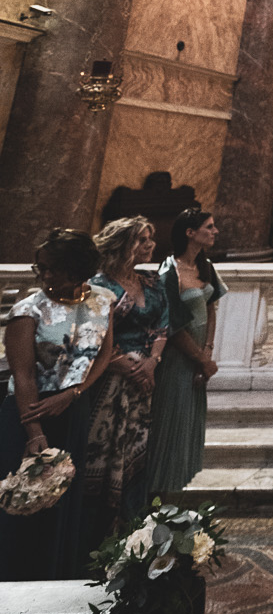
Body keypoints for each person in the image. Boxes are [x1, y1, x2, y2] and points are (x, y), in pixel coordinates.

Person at [0, 228, 114, 578]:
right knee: (26, 501)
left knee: (63, 499)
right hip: (30, 411)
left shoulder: (103, 300)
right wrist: (34, 433)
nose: (45, 275)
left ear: (77, 269)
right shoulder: (27, 310)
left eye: (53, 269)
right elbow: (23, 376)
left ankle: (56, 577)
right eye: (41, 267)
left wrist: (75, 393)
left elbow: (104, 355)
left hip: (73, 407)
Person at [85, 215, 170, 543]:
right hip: (111, 378)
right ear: (122, 245)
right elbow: (92, 333)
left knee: (139, 449)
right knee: (106, 449)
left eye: (150, 238)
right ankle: (98, 535)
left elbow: (163, 324)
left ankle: (133, 529)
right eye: (141, 240)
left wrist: (151, 362)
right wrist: (126, 365)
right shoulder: (98, 285)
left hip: (146, 379)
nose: (150, 245)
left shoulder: (152, 282)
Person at [149, 207, 225, 497]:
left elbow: (210, 308)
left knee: (190, 421)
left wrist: (208, 350)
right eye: (209, 227)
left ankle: (179, 488)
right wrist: (200, 358)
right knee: (172, 418)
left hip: (200, 353)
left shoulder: (206, 266)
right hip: (177, 355)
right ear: (190, 233)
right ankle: (160, 492)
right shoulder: (169, 272)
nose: (215, 231)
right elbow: (172, 325)